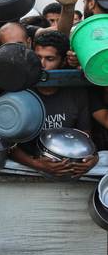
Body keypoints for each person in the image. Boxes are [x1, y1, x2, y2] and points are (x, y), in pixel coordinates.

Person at [11, 31, 97, 177]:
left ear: (63, 61)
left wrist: (91, 159)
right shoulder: (20, 92)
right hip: (26, 171)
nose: (42, 65)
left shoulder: (76, 92)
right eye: (38, 57)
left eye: (50, 59)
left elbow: (84, 136)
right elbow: (8, 145)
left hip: (67, 169)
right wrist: (36, 164)